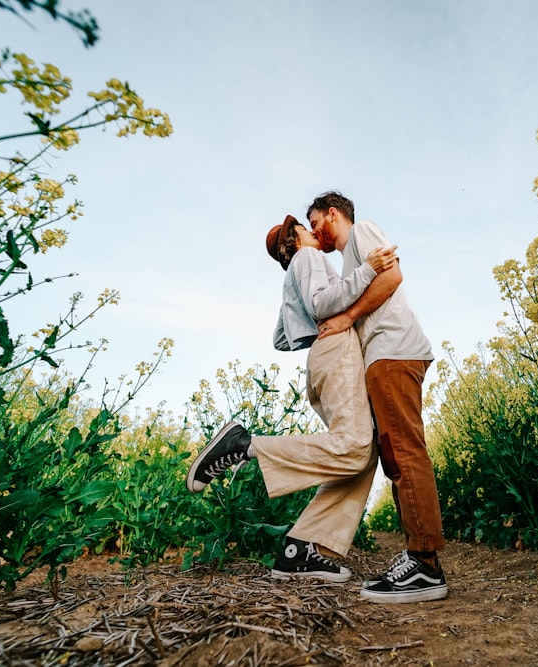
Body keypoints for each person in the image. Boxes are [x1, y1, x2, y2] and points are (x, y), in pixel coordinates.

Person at [186, 214, 396, 582]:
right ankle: (243, 446)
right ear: (294, 242)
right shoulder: (310, 259)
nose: (312, 231)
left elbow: (281, 339)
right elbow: (321, 304)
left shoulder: (293, 274)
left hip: (321, 357)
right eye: (304, 228)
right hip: (337, 350)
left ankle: (303, 548)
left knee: (360, 458)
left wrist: (312, 328)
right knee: (354, 447)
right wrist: (366, 271)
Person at [307, 191, 447, 603]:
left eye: (316, 223)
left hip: (393, 351)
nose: (317, 234)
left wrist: (348, 316)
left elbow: (392, 277)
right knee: (394, 454)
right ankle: (419, 556)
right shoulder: (351, 261)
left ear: (333, 214)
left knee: (403, 452)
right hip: (383, 356)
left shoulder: (361, 233)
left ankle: (424, 563)